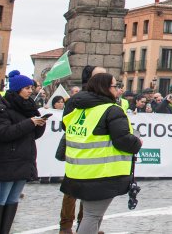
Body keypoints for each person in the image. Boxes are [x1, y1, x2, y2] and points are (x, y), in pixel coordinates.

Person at [59, 73, 141, 234]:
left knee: (93, 215)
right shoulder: (111, 110)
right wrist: (137, 142)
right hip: (100, 173)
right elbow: (122, 139)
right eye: (114, 86)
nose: (117, 89)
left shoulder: (79, 109)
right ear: (104, 88)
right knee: (92, 215)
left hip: (78, 171)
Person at [0, 70, 47, 234]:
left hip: (24, 158)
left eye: (31, 87)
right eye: (27, 88)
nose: (30, 90)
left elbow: (33, 135)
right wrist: (30, 123)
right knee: (1, 198)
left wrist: (40, 124)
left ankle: (4, 231)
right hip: (7, 159)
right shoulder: (1, 107)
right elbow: (3, 133)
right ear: (17, 89)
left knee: (13, 199)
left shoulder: (29, 106)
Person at [59, 64, 107, 234]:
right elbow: (65, 123)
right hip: (78, 149)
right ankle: (65, 226)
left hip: (96, 152)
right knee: (71, 189)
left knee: (90, 190)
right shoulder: (77, 99)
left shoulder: (106, 99)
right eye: (100, 75)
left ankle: (84, 224)